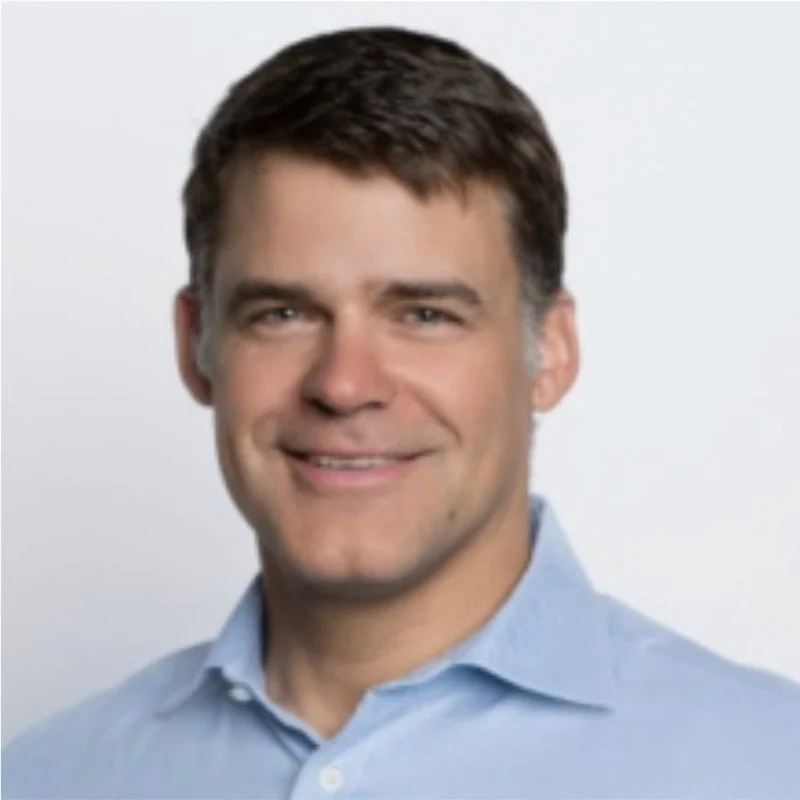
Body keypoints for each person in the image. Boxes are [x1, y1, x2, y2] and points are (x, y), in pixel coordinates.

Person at [3, 25, 799, 800]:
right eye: (283, 313)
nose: (344, 385)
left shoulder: (766, 765)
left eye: (424, 315)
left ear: (549, 351)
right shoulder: (47, 778)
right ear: (195, 344)